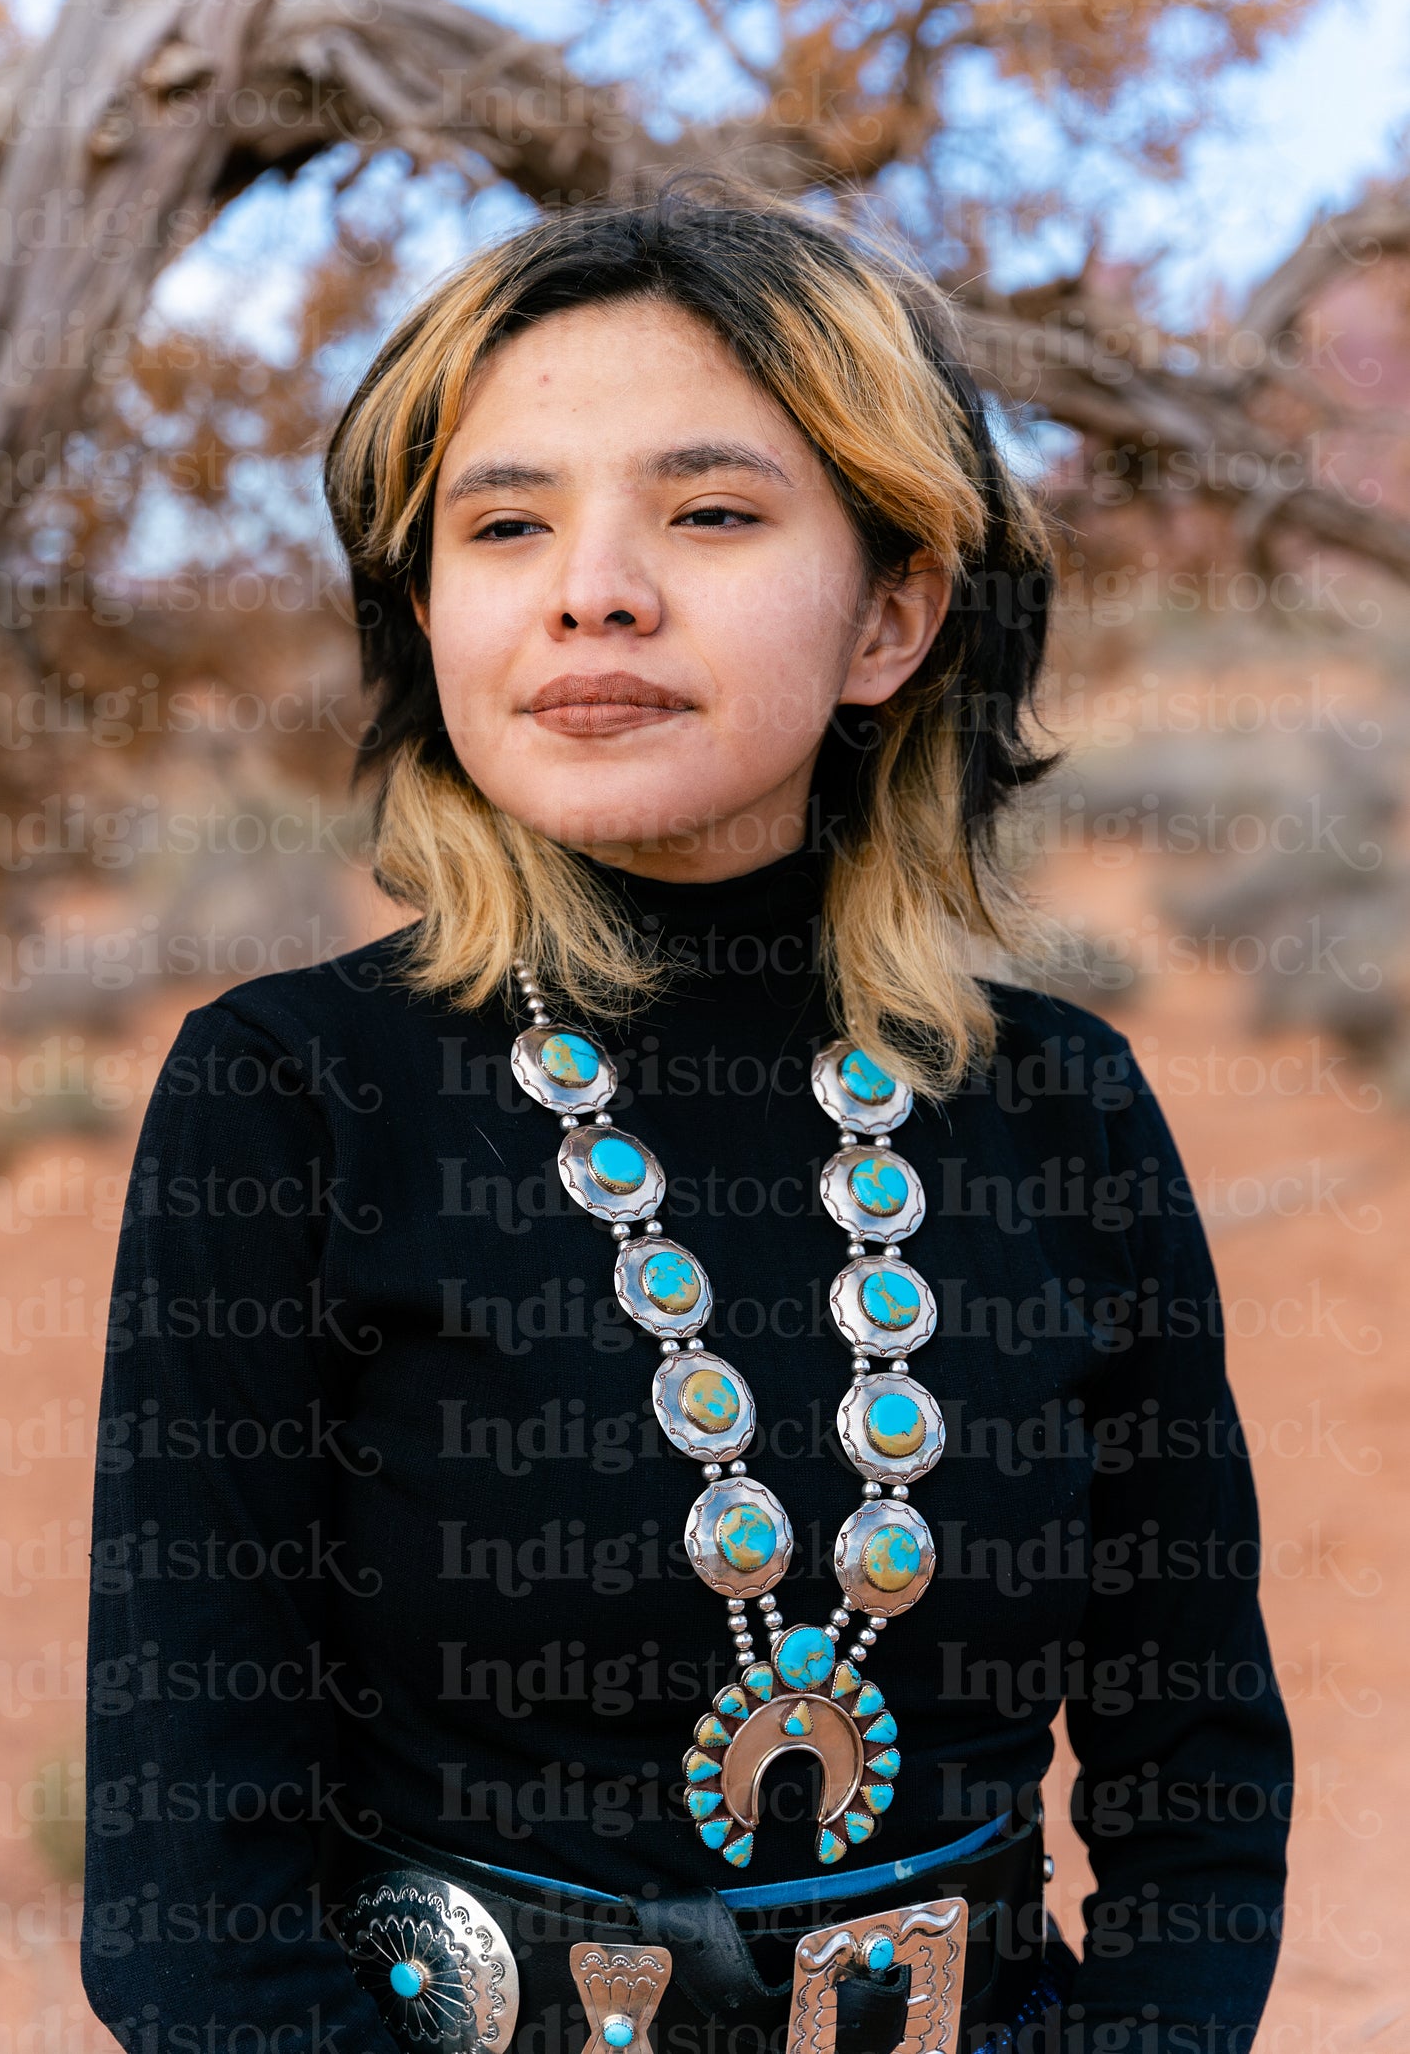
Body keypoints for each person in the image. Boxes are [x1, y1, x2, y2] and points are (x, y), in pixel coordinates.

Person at [81, 180, 1291, 2054]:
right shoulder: (294, 1096)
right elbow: (189, 1889)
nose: (594, 587)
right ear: (431, 611)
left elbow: (1197, 1785)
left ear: (893, 612)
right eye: (505, 524)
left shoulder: (1065, 1108)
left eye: (711, 512)